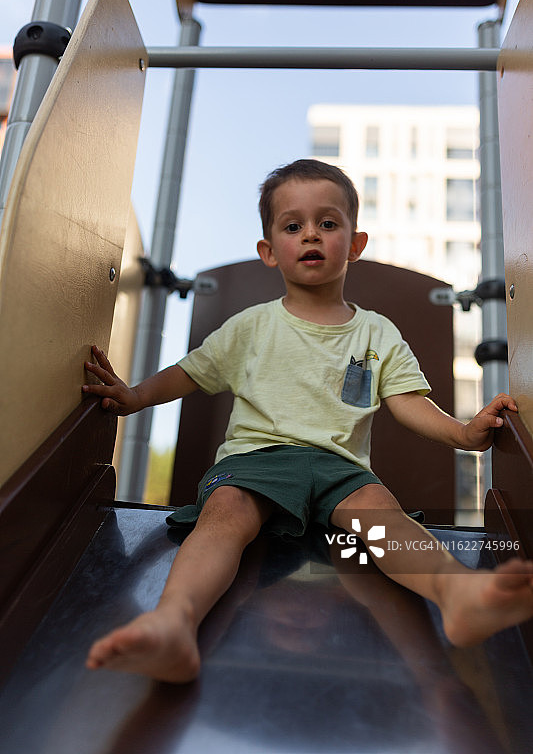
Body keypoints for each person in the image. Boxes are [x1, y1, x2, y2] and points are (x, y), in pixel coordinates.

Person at [83, 159, 533, 684]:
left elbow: (408, 401)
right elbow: (191, 372)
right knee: (224, 514)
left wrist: (463, 434)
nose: (311, 235)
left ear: (355, 242)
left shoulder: (376, 332)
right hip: (256, 463)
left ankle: (457, 595)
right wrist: (135, 396)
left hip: (340, 470)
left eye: (328, 223)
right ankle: (173, 622)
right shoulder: (252, 326)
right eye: (293, 226)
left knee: (382, 514)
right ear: (269, 251)